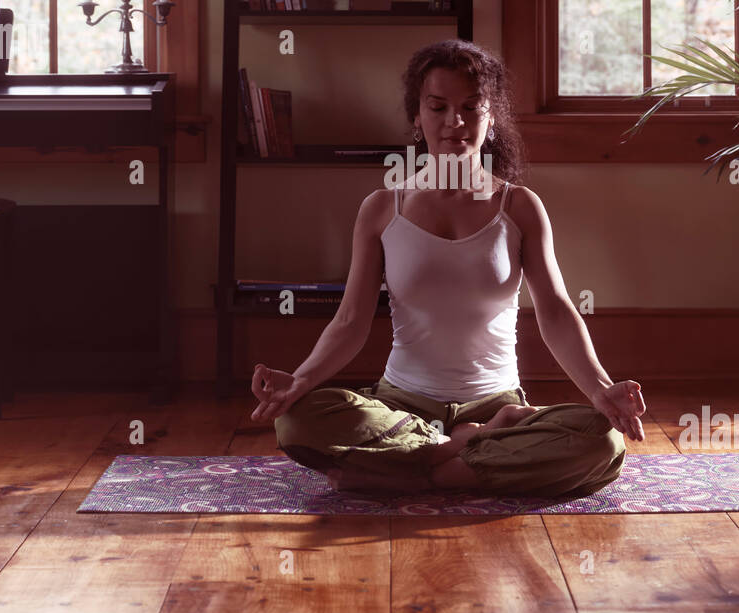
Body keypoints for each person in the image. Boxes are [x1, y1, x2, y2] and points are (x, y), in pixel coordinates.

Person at [249, 39, 645, 498]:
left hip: (498, 400)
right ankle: (473, 447)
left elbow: (555, 310)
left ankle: (416, 471)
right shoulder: (381, 209)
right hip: (400, 407)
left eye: (470, 108)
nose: (454, 122)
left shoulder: (518, 207)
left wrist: (600, 389)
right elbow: (350, 321)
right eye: (437, 107)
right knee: (296, 422)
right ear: (416, 116)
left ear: (490, 117)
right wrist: (298, 382)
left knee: (602, 441)